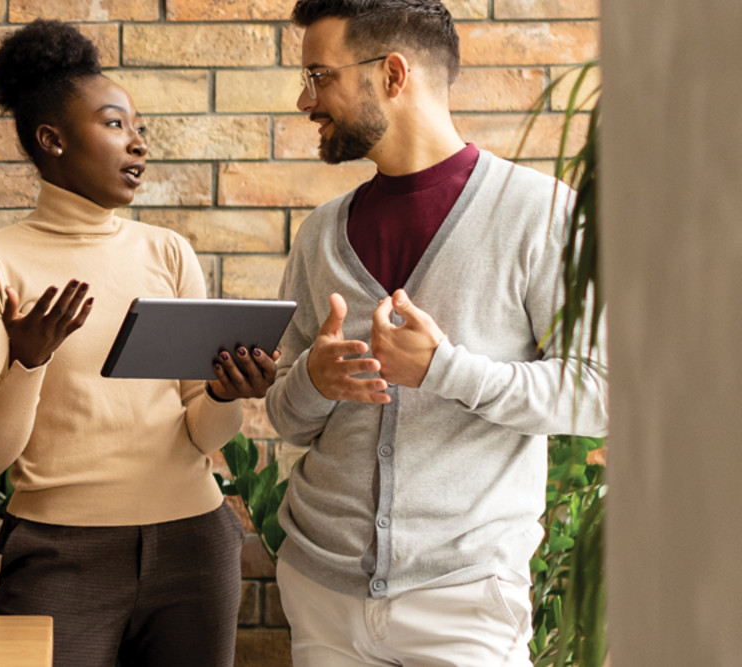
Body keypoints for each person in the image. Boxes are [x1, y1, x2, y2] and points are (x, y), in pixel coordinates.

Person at [267, 1, 609, 664]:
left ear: (392, 74)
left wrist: (444, 370)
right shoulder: (319, 236)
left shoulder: (539, 215)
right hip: (321, 591)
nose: (306, 99)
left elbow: (597, 393)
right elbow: (287, 416)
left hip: (466, 601)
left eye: (319, 75)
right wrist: (312, 379)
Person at [0, 19, 280, 666]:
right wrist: (27, 362)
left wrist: (225, 391)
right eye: (116, 124)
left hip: (195, 546)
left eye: (139, 128)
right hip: (60, 555)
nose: (139, 145)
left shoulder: (169, 252)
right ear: (53, 139)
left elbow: (204, 434)